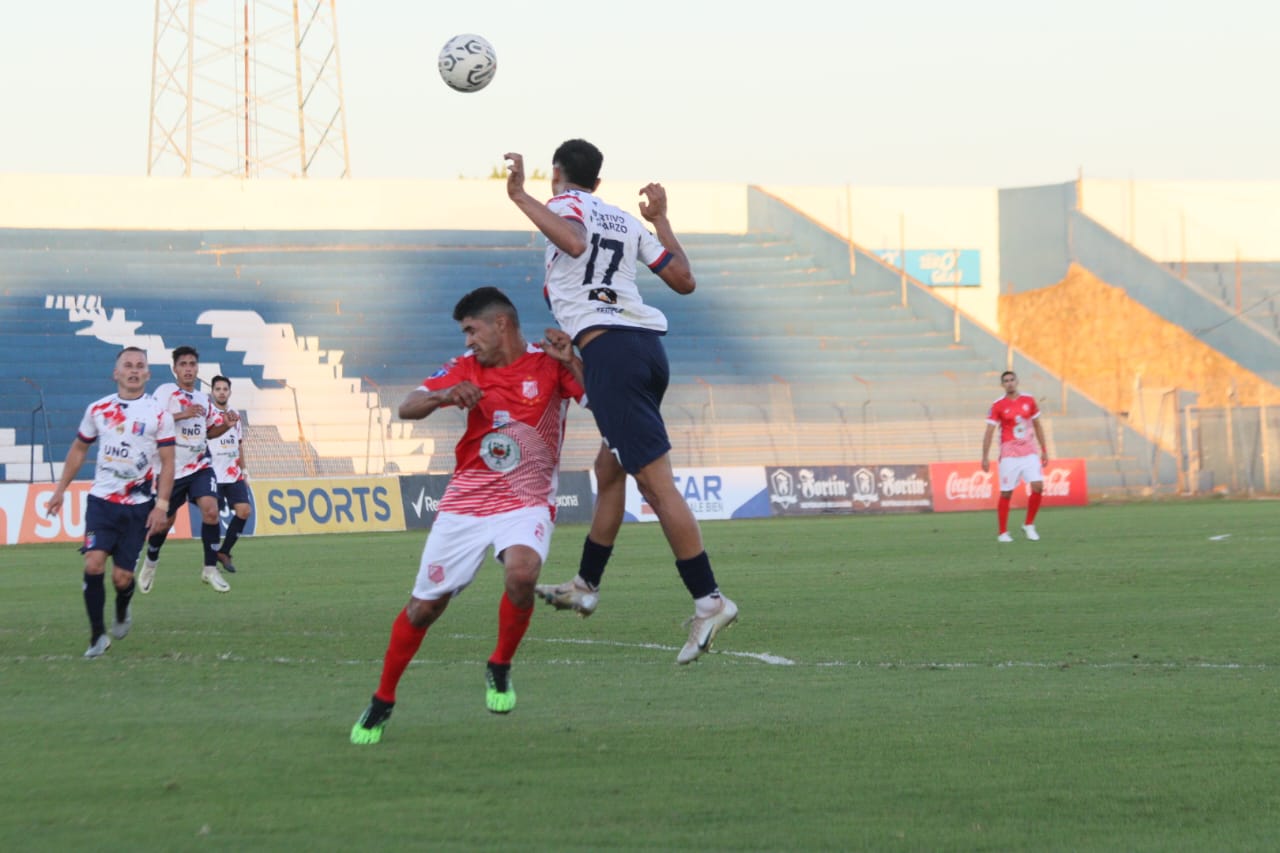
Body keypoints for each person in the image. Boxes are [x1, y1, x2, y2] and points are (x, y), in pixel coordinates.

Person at [504, 138, 738, 664]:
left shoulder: (565, 204)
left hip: (612, 351)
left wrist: (521, 197)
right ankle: (586, 584)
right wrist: (661, 220)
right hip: (645, 351)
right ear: (601, 183)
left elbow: (572, 241)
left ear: (557, 174)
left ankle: (710, 600)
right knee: (609, 469)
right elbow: (683, 279)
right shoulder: (624, 220)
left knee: (657, 487)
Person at [351, 287, 585, 745]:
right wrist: (444, 397)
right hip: (467, 502)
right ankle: (383, 700)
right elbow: (407, 406)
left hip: (526, 499)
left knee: (522, 573)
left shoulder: (549, 362)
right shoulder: (465, 369)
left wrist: (573, 360)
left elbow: (596, 399)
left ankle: (499, 664)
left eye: (472, 330)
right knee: (423, 609)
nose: (467, 341)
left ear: (501, 324)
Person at [44, 346, 176, 658]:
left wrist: (162, 505)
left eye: (139, 365)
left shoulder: (159, 414)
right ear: (115, 373)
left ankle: (122, 606)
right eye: (127, 365)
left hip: (138, 505)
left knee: (122, 578)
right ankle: (96, 638)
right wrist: (60, 489)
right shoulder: (98, 409)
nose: (133, 370)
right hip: (101, 501)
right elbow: (79, 450)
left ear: (147, 374)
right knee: (92, 563)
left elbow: (168, 463)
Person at [139, 345, 236, 593]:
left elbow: (209, 432)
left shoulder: (204, 398)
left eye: (192, 364)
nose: (188, 369)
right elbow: (153, 421)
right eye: (183, 364)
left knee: (211, 510)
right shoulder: (165, 393)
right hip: (170, 470)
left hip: (199, 466)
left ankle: (210, 569)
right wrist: (184, 414)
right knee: (162, 524)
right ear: (175, 369)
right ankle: (150, 562)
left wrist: (225, 425)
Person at [981, 370, 1049, 542]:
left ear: (1017, 381)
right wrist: (984, 456)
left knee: (1038, 486)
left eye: (1012, 380)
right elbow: (989, 431)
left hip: (1029, 451)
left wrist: (1044, 449)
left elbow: (1037, 425)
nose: (1009, 383)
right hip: (1009, 453)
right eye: (1006, 381)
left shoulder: (1029, 400)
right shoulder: (998, 405)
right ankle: (1003, 532)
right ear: (1002, 384)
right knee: (1006, 493)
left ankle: (1029, 524)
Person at [208, 374, 252, 573]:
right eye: (218, 389)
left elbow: (239, 444)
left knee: (244, 511)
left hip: (233, 473)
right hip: (213, 474)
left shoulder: (235, 415)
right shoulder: (208, 414)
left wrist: (244, 470)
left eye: (225, 389)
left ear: (230, 392)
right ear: (212, 392)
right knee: (213, 516)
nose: (222, 392)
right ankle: (210, 559)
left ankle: (224, 552)